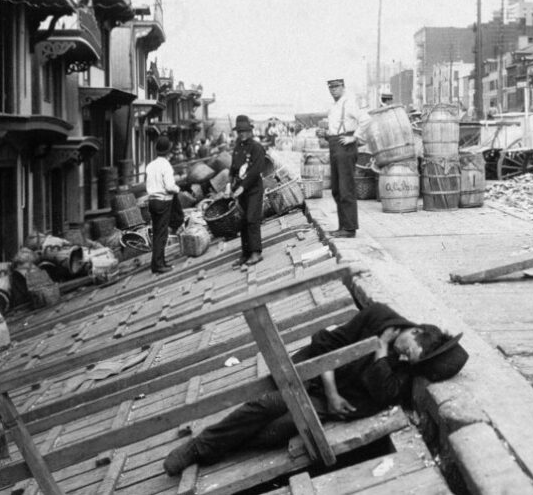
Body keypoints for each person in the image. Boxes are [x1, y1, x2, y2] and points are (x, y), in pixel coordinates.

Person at [162, 302, 468, 476]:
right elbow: (325, 346)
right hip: (317, 377)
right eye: (407, 350)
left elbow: (384, 392)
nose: (402, 358)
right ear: (415, 331)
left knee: (277, 432)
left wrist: (381, 351)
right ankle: (200, 447)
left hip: (339, 403)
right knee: (268, 405)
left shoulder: (402, 361)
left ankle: (222, 446)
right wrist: (332, 392)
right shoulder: (377, 315)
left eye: (408, 359)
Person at [315, 78, 370, 239]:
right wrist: (326, 135)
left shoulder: (349, 102)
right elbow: (335, 129)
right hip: (335, 144)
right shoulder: (335, 106)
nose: (333, 90)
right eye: (331, 87)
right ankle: (343, 226)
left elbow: (366, 119)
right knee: (337, 189)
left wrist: (355, 137)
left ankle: (349, 228)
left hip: (345, 146)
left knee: (346, 188)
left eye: (337, 87)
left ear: (343, 87)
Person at [229, 115, 266, 266]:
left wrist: (243, 187)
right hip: (240, 190)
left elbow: (255, 171)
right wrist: (230, 184)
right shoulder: (238, 148)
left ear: (250, 131)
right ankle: (245, 253)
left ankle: (256, 252)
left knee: (252, 219)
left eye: (244, 131)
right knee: (242, 222)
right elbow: (233, 168)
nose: (242, 134)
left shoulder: (256, 147)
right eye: (239, 131)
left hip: (253, 189)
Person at [145, 136, 183, 274]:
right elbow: (169, 186)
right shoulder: (166, 165)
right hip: (163, 201)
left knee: (157, 233)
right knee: (162, 234)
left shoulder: (150, 165)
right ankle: (158, 265)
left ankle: (159, 261)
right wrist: (178, 189)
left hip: (152, 201)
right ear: (168, 151)